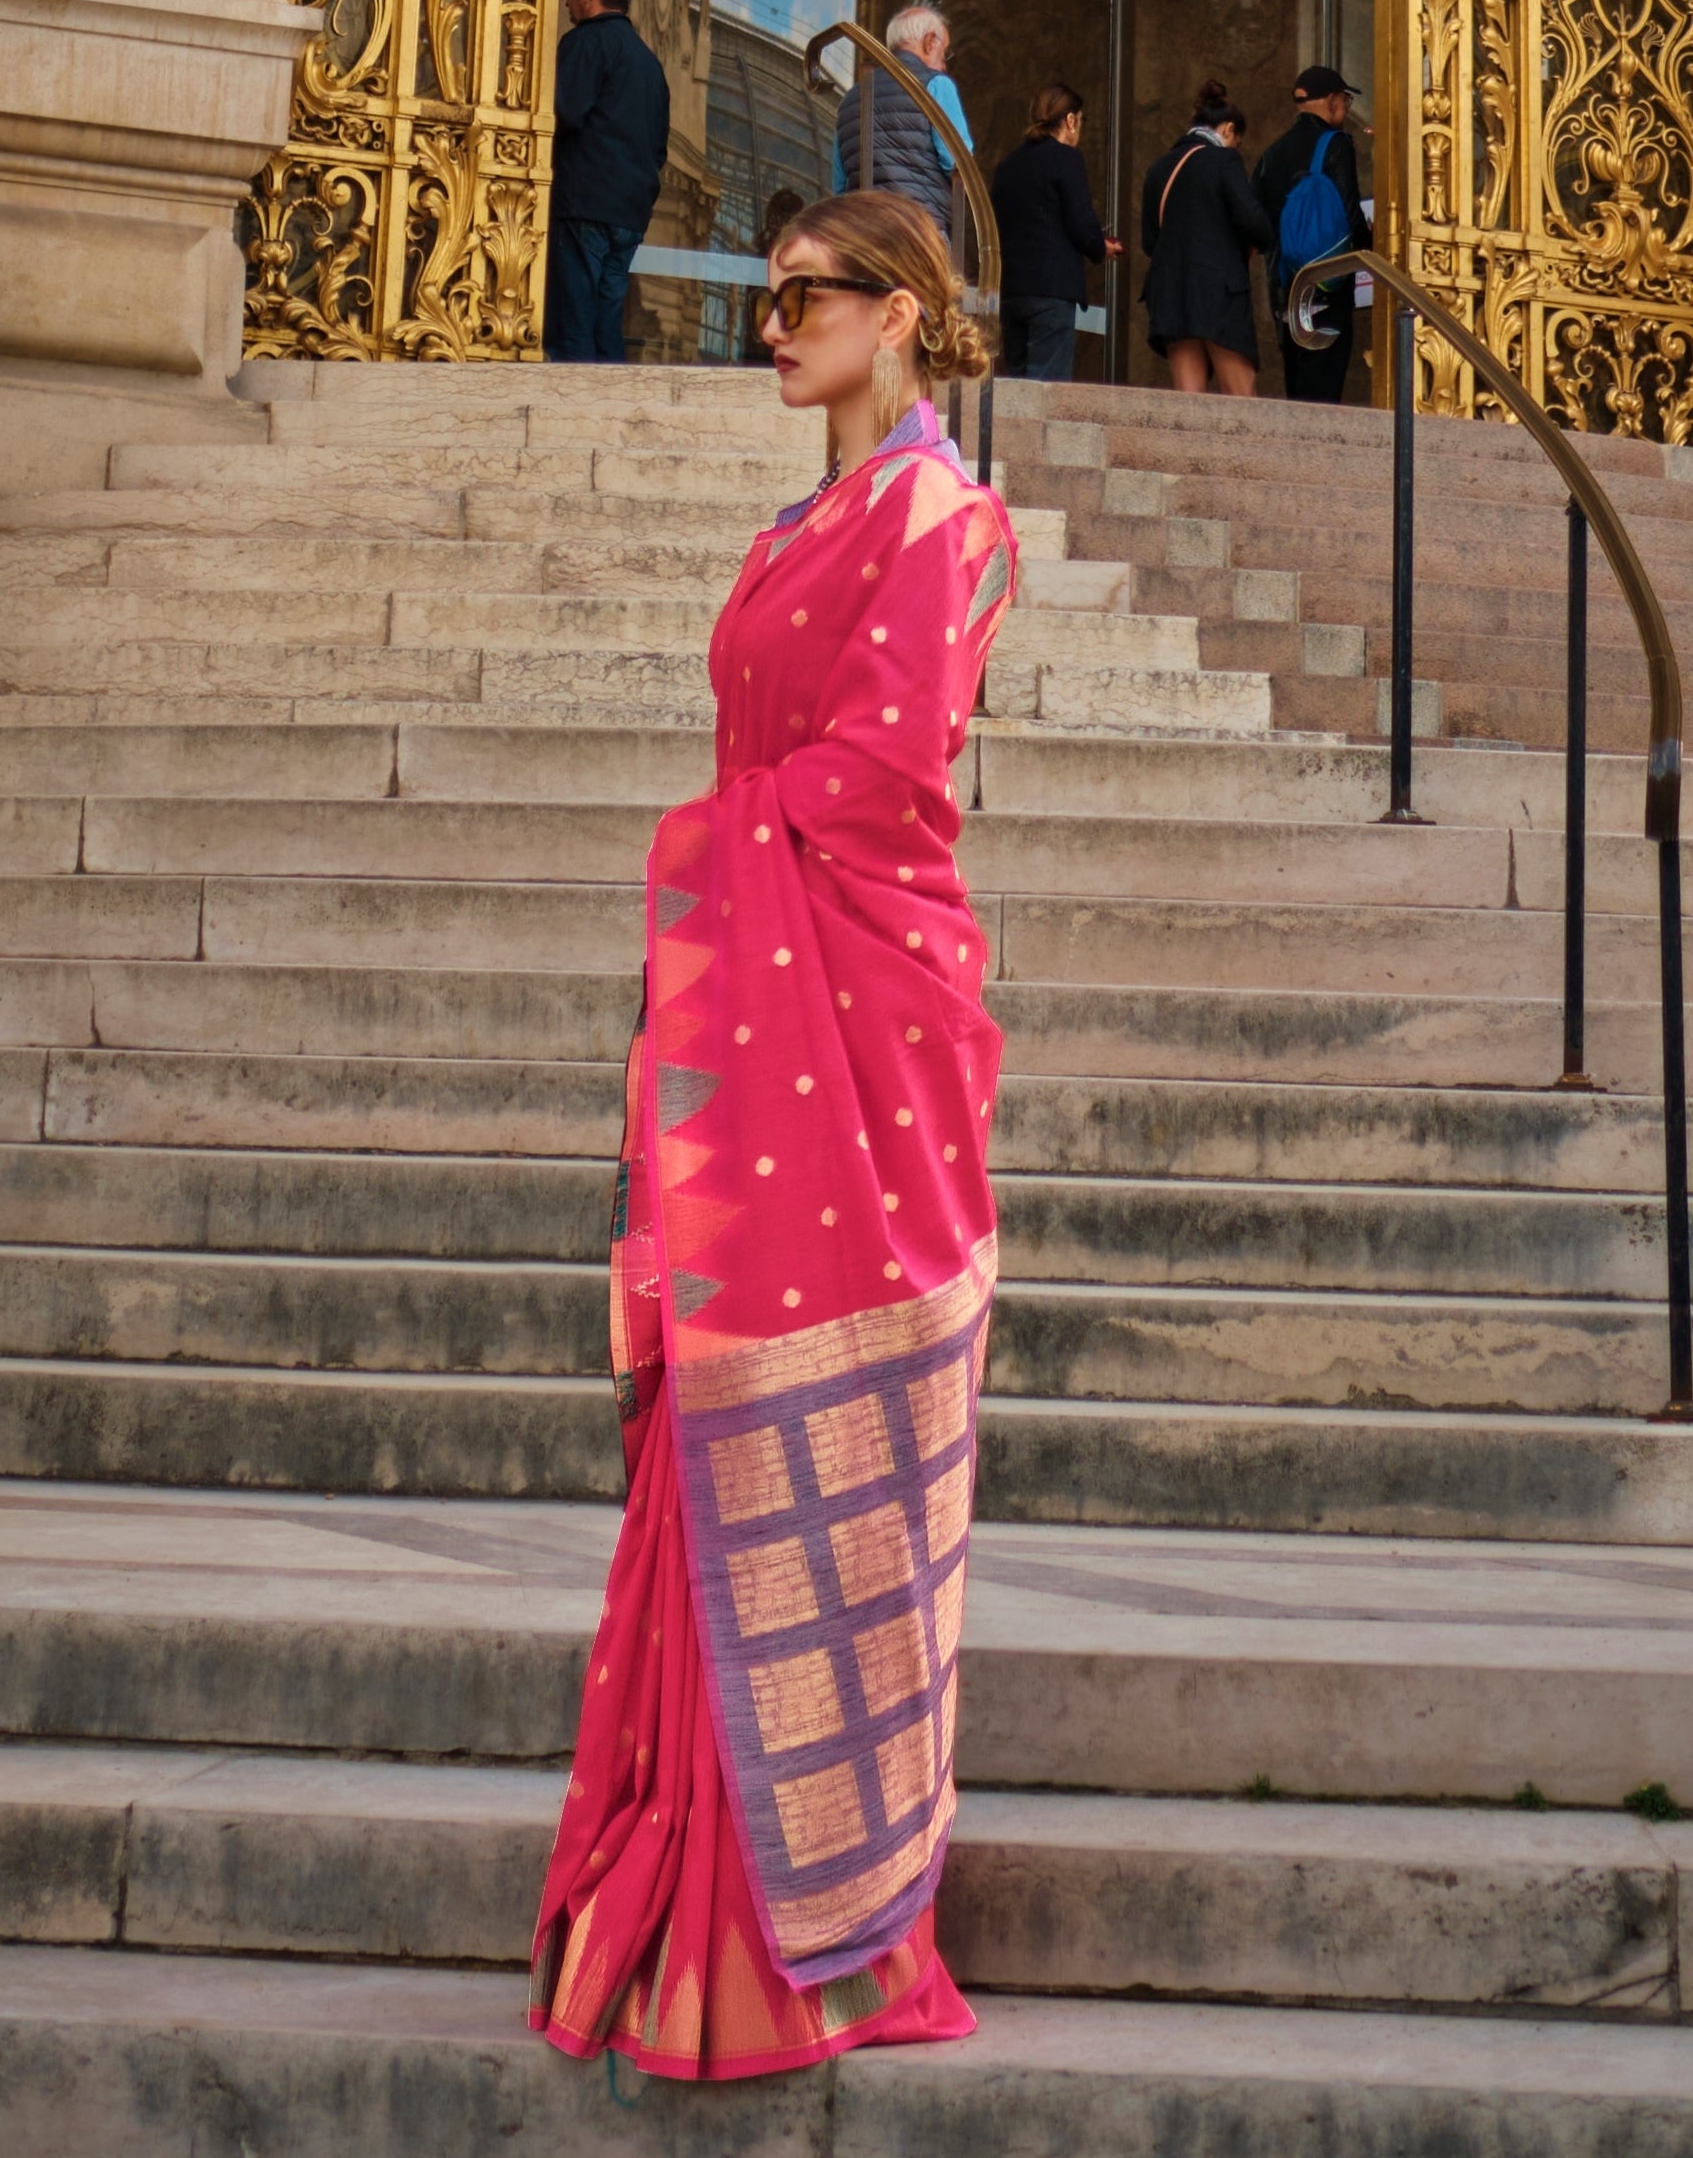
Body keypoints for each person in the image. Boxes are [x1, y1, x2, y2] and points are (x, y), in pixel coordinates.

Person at [528, 190, 1017, 2082]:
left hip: (863, 1026)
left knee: (836, 1463)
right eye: (770, 295)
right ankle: (689, 1901)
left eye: (804, 297)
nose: (771, 323)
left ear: (898, 314)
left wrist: (693, 854)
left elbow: (890, 779)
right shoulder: (804, 519)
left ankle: (813, 1926)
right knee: (710, 1443)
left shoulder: (937, 515)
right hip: (761, 1009)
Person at [546, 0, 670, 363]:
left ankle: (576, 419)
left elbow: (564, 111)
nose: (567, 2)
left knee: (574, 326)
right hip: (629, 215)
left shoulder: (585, 42)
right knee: (606, 327)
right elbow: (659, 150)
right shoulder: (651, 66)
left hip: (585, 207)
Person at [1140, 77, 1274, 396]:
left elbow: (1149, 241)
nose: (1236, 148)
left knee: (1190, 400)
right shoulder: (1223, 159)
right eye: (1237, 141)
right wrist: (1263, 240)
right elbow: (1251, 218)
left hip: (1171, 290)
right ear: (1227, 130)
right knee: (1240, 395)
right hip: (1218, 292)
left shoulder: (1159, 168)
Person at [988, 82, 1120, 384]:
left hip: (1012, 288)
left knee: (1017, 387)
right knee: (1046, 388)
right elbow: (1081, 222)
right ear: (1071, 120)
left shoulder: (1008, 165)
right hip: (1052, 289)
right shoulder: (1066, 159)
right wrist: (1100, 248)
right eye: (1081, 121)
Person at [1255, 63, 1369, 405]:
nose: (1346, 110)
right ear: (1332, 100)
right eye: (1346, 102)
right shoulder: (1336, 145)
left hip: (1288, 288)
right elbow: (1350, 214)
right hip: (1328, 284)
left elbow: (1257, 219)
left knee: (1299, 385)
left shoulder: (1271, 153)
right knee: (1327, 382)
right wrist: (1371, 246)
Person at [836, 1, 970, 224]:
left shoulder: (850, 100)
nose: (945, 66)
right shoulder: (936, 85)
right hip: (919, 229)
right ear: (929, 42)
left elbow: (840, 185)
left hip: (863, 234)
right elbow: (958, 162)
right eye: (944, 53)